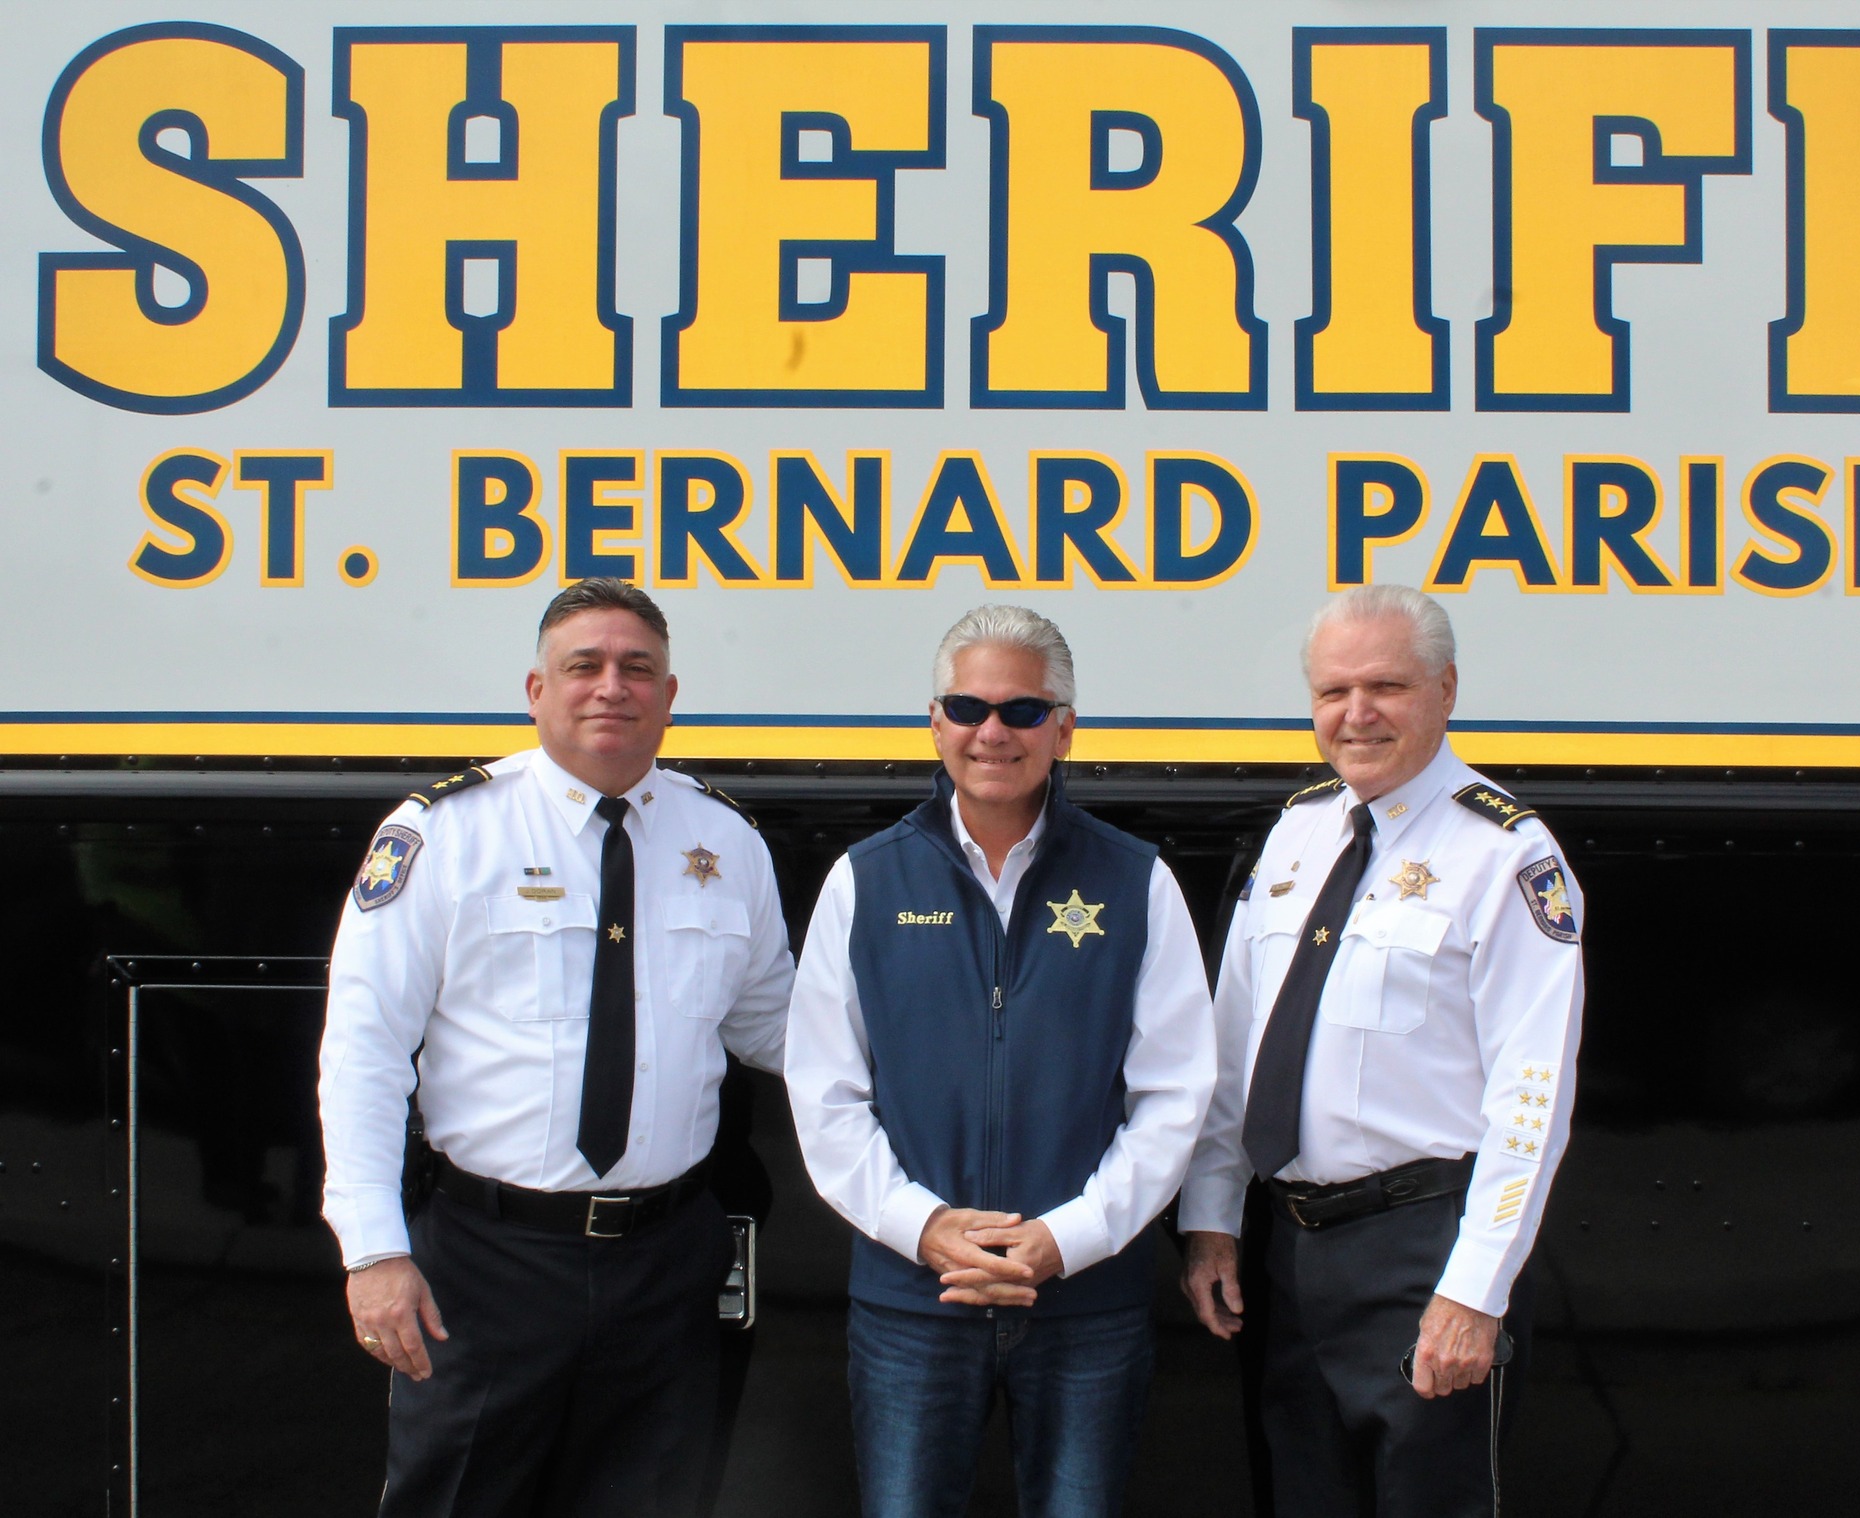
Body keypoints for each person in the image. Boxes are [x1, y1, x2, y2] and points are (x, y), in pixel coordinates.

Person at [318, 577, 793, 1518]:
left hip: (667, 1266)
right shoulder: (445, 832)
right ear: (537, 689)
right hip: (488, 1265)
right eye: (584, 665)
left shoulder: (727, 840)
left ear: (669, 694)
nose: (610, 686)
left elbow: (778, 1028)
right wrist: (372, 1252)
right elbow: (365, 1049)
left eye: (637, 669)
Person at [784, 604, 1216, 1518]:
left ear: (1064, 729)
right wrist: (923, 1227)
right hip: (914, 1303)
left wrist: (1070, 1239)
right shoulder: (866, 880)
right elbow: (824, 1092)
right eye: (968, 707)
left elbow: (1176, 1094)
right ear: (935, 722)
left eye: (1023, 710)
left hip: (1086, 1306)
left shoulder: (1137, 881)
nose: (993, 731)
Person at [1178, 584, 1585, 1517]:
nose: (1355, 715)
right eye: (1332, 692)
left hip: (1422, 1251)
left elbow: (1533, 1094)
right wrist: (1212, 1218)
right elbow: (1235, 1046)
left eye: (1386, 687)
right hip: (1290, 1253)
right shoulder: (1297, 832)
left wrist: (1475, 1290)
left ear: (1445, 689)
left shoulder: (1506, 854)